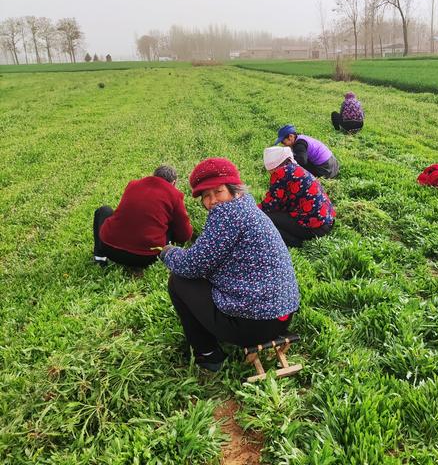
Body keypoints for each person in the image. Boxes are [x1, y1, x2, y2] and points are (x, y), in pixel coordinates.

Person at [160, 158, 299, 372]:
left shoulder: (227, 215)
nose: (212, 200)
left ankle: (208, 354)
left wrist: (169, 252)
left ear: (233, 189)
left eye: (218, 191)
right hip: (282, 315)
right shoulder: (247, 206)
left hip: (255, 325)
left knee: (179, 280)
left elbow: (191, 265)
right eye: (206, 196)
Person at [93, 165, 192, 267]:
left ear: (153, 176)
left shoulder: (133, 185)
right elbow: (184, 235)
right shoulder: (174, 195)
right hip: (145, 257)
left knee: (103, 210)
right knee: (172, 222)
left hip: (109, 248)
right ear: (174, 183)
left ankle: (99, 257)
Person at [259, 147, 335, 247]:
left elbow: (270, 205)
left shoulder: (280, 173)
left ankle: (294, 242)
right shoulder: (295, 167)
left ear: (273, 166)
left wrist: (253, 209)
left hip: (315, 228)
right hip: (327, 221)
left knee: (263, 217)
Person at [274, 124, 339, 179]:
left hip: (326, 169)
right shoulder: (300, 138)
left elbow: (302, 161)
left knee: (297, 166)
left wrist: (286, 163)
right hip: (334, 165)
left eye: (283, 141)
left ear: (291, 136)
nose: (283, 144)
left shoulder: (299, 145)